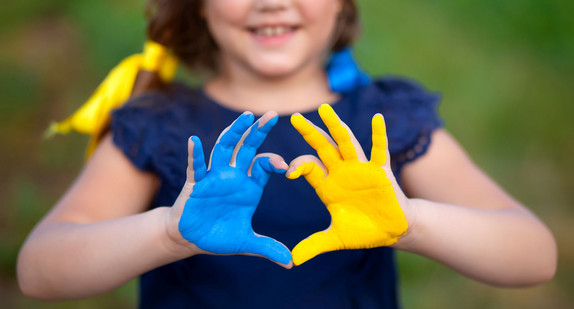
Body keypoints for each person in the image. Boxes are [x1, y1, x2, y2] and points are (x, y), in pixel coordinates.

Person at [17, 0, 557, 308]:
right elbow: (40, 271)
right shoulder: (160, 124)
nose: (272, 1)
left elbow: (533, 255)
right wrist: (166, 233)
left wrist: (412, 223)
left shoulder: (386, 121)